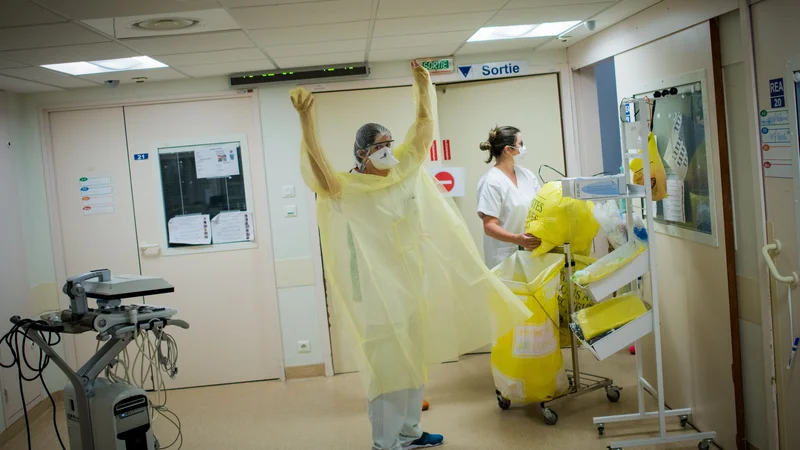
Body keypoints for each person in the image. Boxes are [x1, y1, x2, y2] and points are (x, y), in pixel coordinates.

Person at [290, 63, 531, 450]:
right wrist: (306, 121)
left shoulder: (403, 170)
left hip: (409, 282)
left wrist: (424, 88)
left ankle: (411, 431)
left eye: (389, 142)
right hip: (375, 291)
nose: (387, 149)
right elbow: (319, 172)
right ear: (360, 153)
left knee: (412, 360)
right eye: (378, 146)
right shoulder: (347, 188)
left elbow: (422, 130)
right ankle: (385, 442)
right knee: (387, 365)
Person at [477, 126, 542, 268]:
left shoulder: (527, 175)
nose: (523, 148)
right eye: (520, 144)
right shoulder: (491, 182)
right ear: (508, 149)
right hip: (504, 258)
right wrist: (516, 239)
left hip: (530, 253)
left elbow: (542, 207)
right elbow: (489, 226)